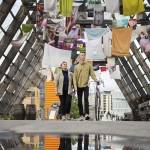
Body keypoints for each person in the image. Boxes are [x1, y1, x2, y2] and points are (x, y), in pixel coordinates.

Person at [73, 53, 97, 121]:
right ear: (79, 57)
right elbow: (74, 78)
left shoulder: (89, 65)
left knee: (86, 99)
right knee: (79, 101)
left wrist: (96, 80)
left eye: (84, 55)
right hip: (78, 86)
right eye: (81, 55)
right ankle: (81, 115)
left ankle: (86, 114)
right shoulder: (76, 67)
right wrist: (75, 87)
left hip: (86, 85)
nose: (83, 57)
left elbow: (92, 74)